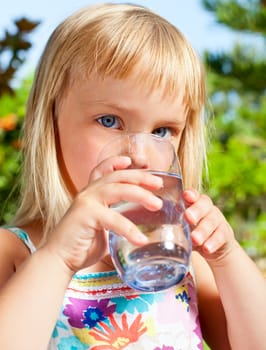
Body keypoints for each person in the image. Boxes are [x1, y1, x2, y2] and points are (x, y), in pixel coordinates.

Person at [0, 3, 265, 350]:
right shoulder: (18, 253)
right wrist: (59, 259)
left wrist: (227, 258)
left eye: (162, 131)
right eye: (110, 121)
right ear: (51, 122)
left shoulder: (186, 265)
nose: (139, 154)